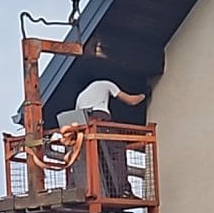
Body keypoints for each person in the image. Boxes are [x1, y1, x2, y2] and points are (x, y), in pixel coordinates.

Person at [53, 68, 147, 199]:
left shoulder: (81, 95)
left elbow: (77, 118)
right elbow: (132, 100)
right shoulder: (105, 83)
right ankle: (123, 190)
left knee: (94, 156)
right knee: (116, 150)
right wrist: (144, 94)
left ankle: (78, 188)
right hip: (100, 121)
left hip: (84, 126)